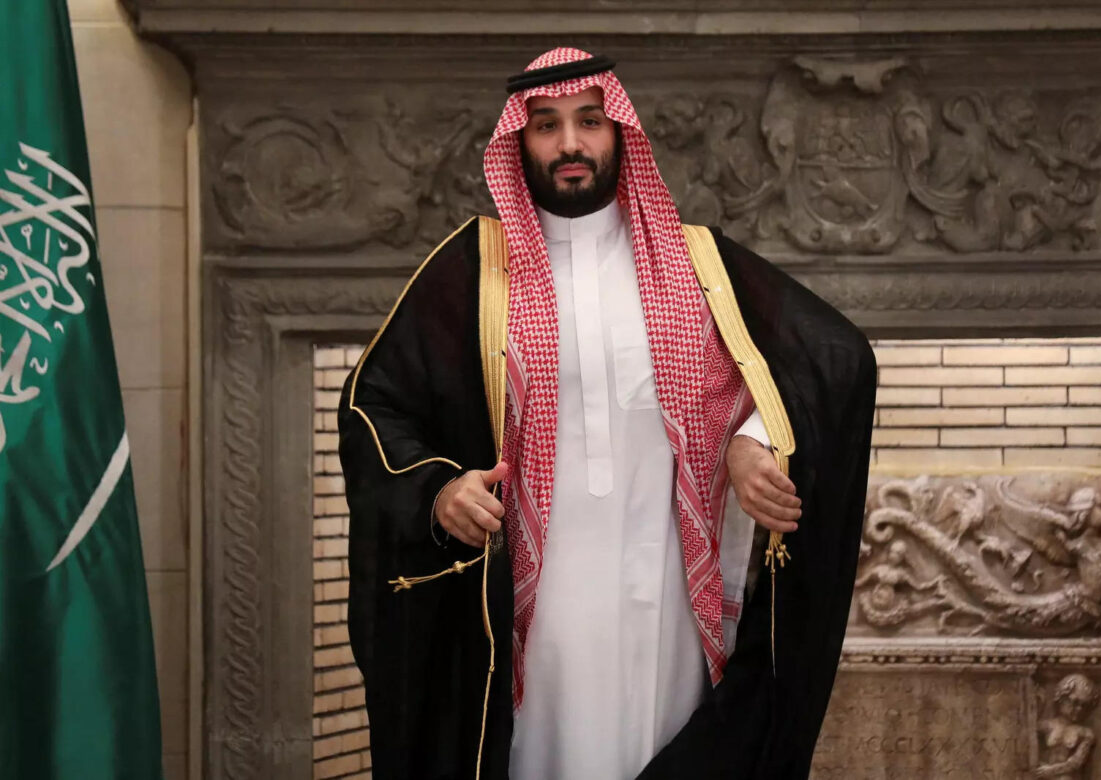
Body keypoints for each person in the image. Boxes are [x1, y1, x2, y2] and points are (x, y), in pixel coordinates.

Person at [338, 47, 876, 780]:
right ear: (519, 142)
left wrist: (751, 443)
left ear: (620, 132)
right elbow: (374, 407)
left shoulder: (698, 263)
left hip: (666, 598)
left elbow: (827, 360)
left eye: (589, 121)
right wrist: (439, 491)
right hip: (534, 613)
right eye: (547, 126)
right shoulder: (471, 272)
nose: (570, 143)